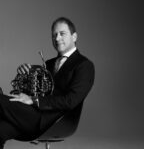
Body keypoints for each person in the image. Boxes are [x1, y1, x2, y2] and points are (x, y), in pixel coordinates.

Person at [0, 17, 95, 149]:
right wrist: (25, 75)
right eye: (54, 35)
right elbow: (35, 91)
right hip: (32, 115)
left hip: (51, 121)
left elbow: (71, 101)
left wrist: (33, 100)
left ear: (74, 36)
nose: (57, 38)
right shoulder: (49, 64)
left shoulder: (84, 65)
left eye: (62, 34)